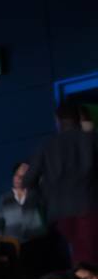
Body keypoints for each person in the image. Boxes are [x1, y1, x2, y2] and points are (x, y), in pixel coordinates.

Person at [28, 99, 98, 265]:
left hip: (60, 212)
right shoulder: (91, 139)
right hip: (90, 206)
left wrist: (46, 198)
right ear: (79, 118)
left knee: (80, 253)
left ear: (57, 120)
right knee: (90, 255)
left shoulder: (46, 146)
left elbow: (29, 179)